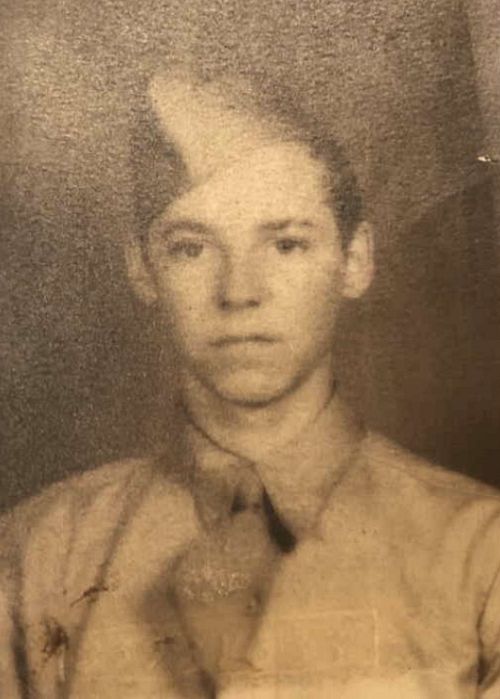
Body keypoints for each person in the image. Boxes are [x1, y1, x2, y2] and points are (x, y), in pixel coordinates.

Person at [1, 66, 500, 699]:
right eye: (191, 248)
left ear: (355, 260)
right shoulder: (36, 556)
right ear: (142, 268)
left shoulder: (482, 556)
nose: (239, 293)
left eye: (286, 245)